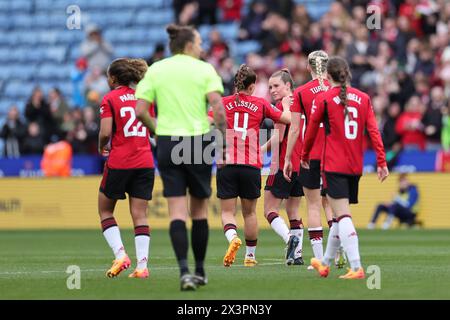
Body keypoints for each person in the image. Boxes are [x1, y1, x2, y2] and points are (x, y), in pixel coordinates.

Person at [135, 24, 227, 291]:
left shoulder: (156, 69)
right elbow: (218, 109)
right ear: (189, 45)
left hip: (168, 143)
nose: (201, 47)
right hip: (198, 142)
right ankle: (199, 271)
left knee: (177, 211)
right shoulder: (204, 69)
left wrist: (158, 132)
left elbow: (141, 110)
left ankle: (184, 272)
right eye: (199, 42)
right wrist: (221, 139)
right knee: (198, 212)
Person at [301, 56, 389, 279]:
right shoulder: (364, 98)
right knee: (340, 216)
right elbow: (374, 132)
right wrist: (381, 161)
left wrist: (304, 156)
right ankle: (325, 263)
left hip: (333, 164)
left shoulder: (324, 98)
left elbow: (310, 131)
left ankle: (357, 266)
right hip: (355, 166)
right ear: (347, 74)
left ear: (328, 76)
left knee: (343, 216)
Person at [213, 65, 291, 268]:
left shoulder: (222, 103)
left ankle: (232, 239)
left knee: (228, 213)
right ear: (252, 86)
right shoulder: (261, 104)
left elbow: (204, 121)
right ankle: (250, 256)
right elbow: (287, 119)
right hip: (251, 164)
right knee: (249, 213)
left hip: (227, 163)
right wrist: (288, 104)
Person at [97, 58, 154, 279]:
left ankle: (120, 255)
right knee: (140, 215)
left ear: (113, 78)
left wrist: (102, 146)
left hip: (120, 161)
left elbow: (104, 132)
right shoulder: (145, 99)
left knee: (105, 210)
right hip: (145, 162)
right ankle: (142, 267)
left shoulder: (110, 98)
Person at [283, 50, 333, 266]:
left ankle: (320, 258)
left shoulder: (301, 92)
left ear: (308, 67)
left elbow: (294, 130)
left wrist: (287, 159)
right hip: (334, 154)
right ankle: (338, 253)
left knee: (313, 205)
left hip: (310, 154)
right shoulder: (338, 91)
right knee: (333, 204)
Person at [260, 69, 304, 265]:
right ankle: (297, 255)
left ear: (288, 86)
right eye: (270, 87)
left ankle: (289, 240)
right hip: (301, 165)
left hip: (282, 164)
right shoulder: (303, 102)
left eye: (276, 86)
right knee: (293, 211)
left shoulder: (282, 106)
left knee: (269, 210)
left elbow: (278, 138)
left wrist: (260, 149)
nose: (272, 90)